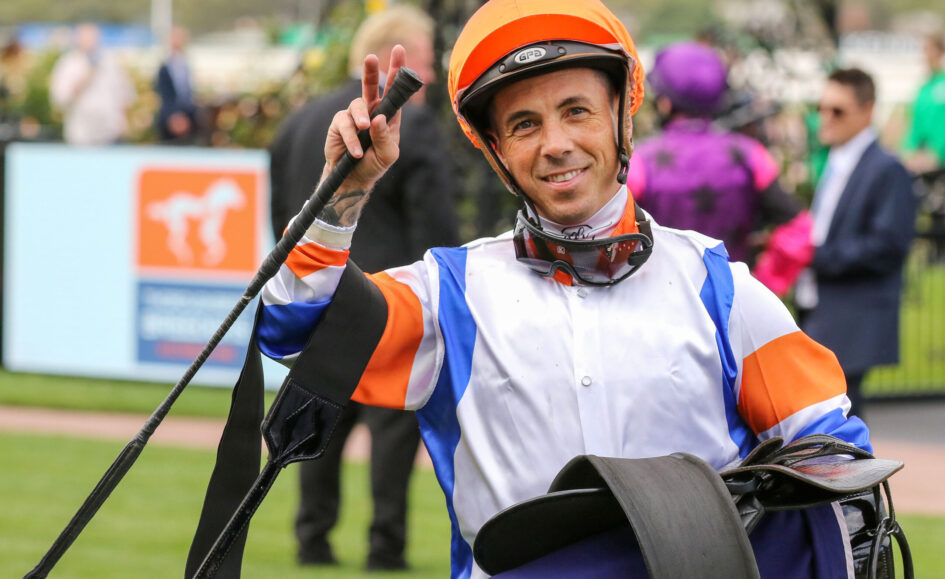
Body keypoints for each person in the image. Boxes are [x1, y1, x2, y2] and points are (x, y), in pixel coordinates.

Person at [258, 0, 873, 576]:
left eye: (576, 111)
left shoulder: (720, 288)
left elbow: (838, 461)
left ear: (621, 116)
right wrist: (344, 194)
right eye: (524, 124)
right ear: (497, 151)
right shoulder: (449, 293)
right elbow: (298, 329)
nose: (555, 145)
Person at [267, 5, 459, 571]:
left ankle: (312, 539)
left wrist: (305, 278)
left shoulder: (299, 121)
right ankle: (385, 545)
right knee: (392, 431)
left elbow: (282, 218)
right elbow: (434, 226)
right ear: (401, 57)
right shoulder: (410, 124)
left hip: (318, 299)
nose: (433, 73)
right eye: (427, 59)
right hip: (386, 304)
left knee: (316, 424)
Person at [795, 68, 917, 423]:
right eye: (821, 108)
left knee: (840, 427)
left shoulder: (887, 169)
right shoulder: (835, 161)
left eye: (838, 110)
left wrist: (815, 256)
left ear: (867, 110)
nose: (826, 118)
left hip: (853, 313)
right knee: (821, 424)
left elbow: (887, 246)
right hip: (819, 307)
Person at [627, 41, 808, 269]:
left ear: (665, 103)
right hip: (732, 289)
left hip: (660, 289)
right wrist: (765, 280)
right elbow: (799, 229)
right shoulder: (750, 155)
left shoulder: (640, 162)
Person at [49, 22, 135, 146]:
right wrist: (86, 77)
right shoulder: (68, 63)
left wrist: (123, 121)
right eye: (85, 36)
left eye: (93, 36)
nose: (90, 40)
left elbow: (125, 94)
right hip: (80, 134)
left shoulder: (110, 61)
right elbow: (60, 99)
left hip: (109, 133)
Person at [902, 32, 945, 173]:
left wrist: (938, 153)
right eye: (924, 50)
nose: (926, 55)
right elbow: (915, 124)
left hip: (939, 161)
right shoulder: (923, 88)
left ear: (940, 52)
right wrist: (909, 150)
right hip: (921, 160)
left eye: (930, 49)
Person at [154, 26, 200, 144]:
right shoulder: (165, 66)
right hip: (172, 117)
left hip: (188, 115)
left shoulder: (185, 63)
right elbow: (164, 94)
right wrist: (174, 115)